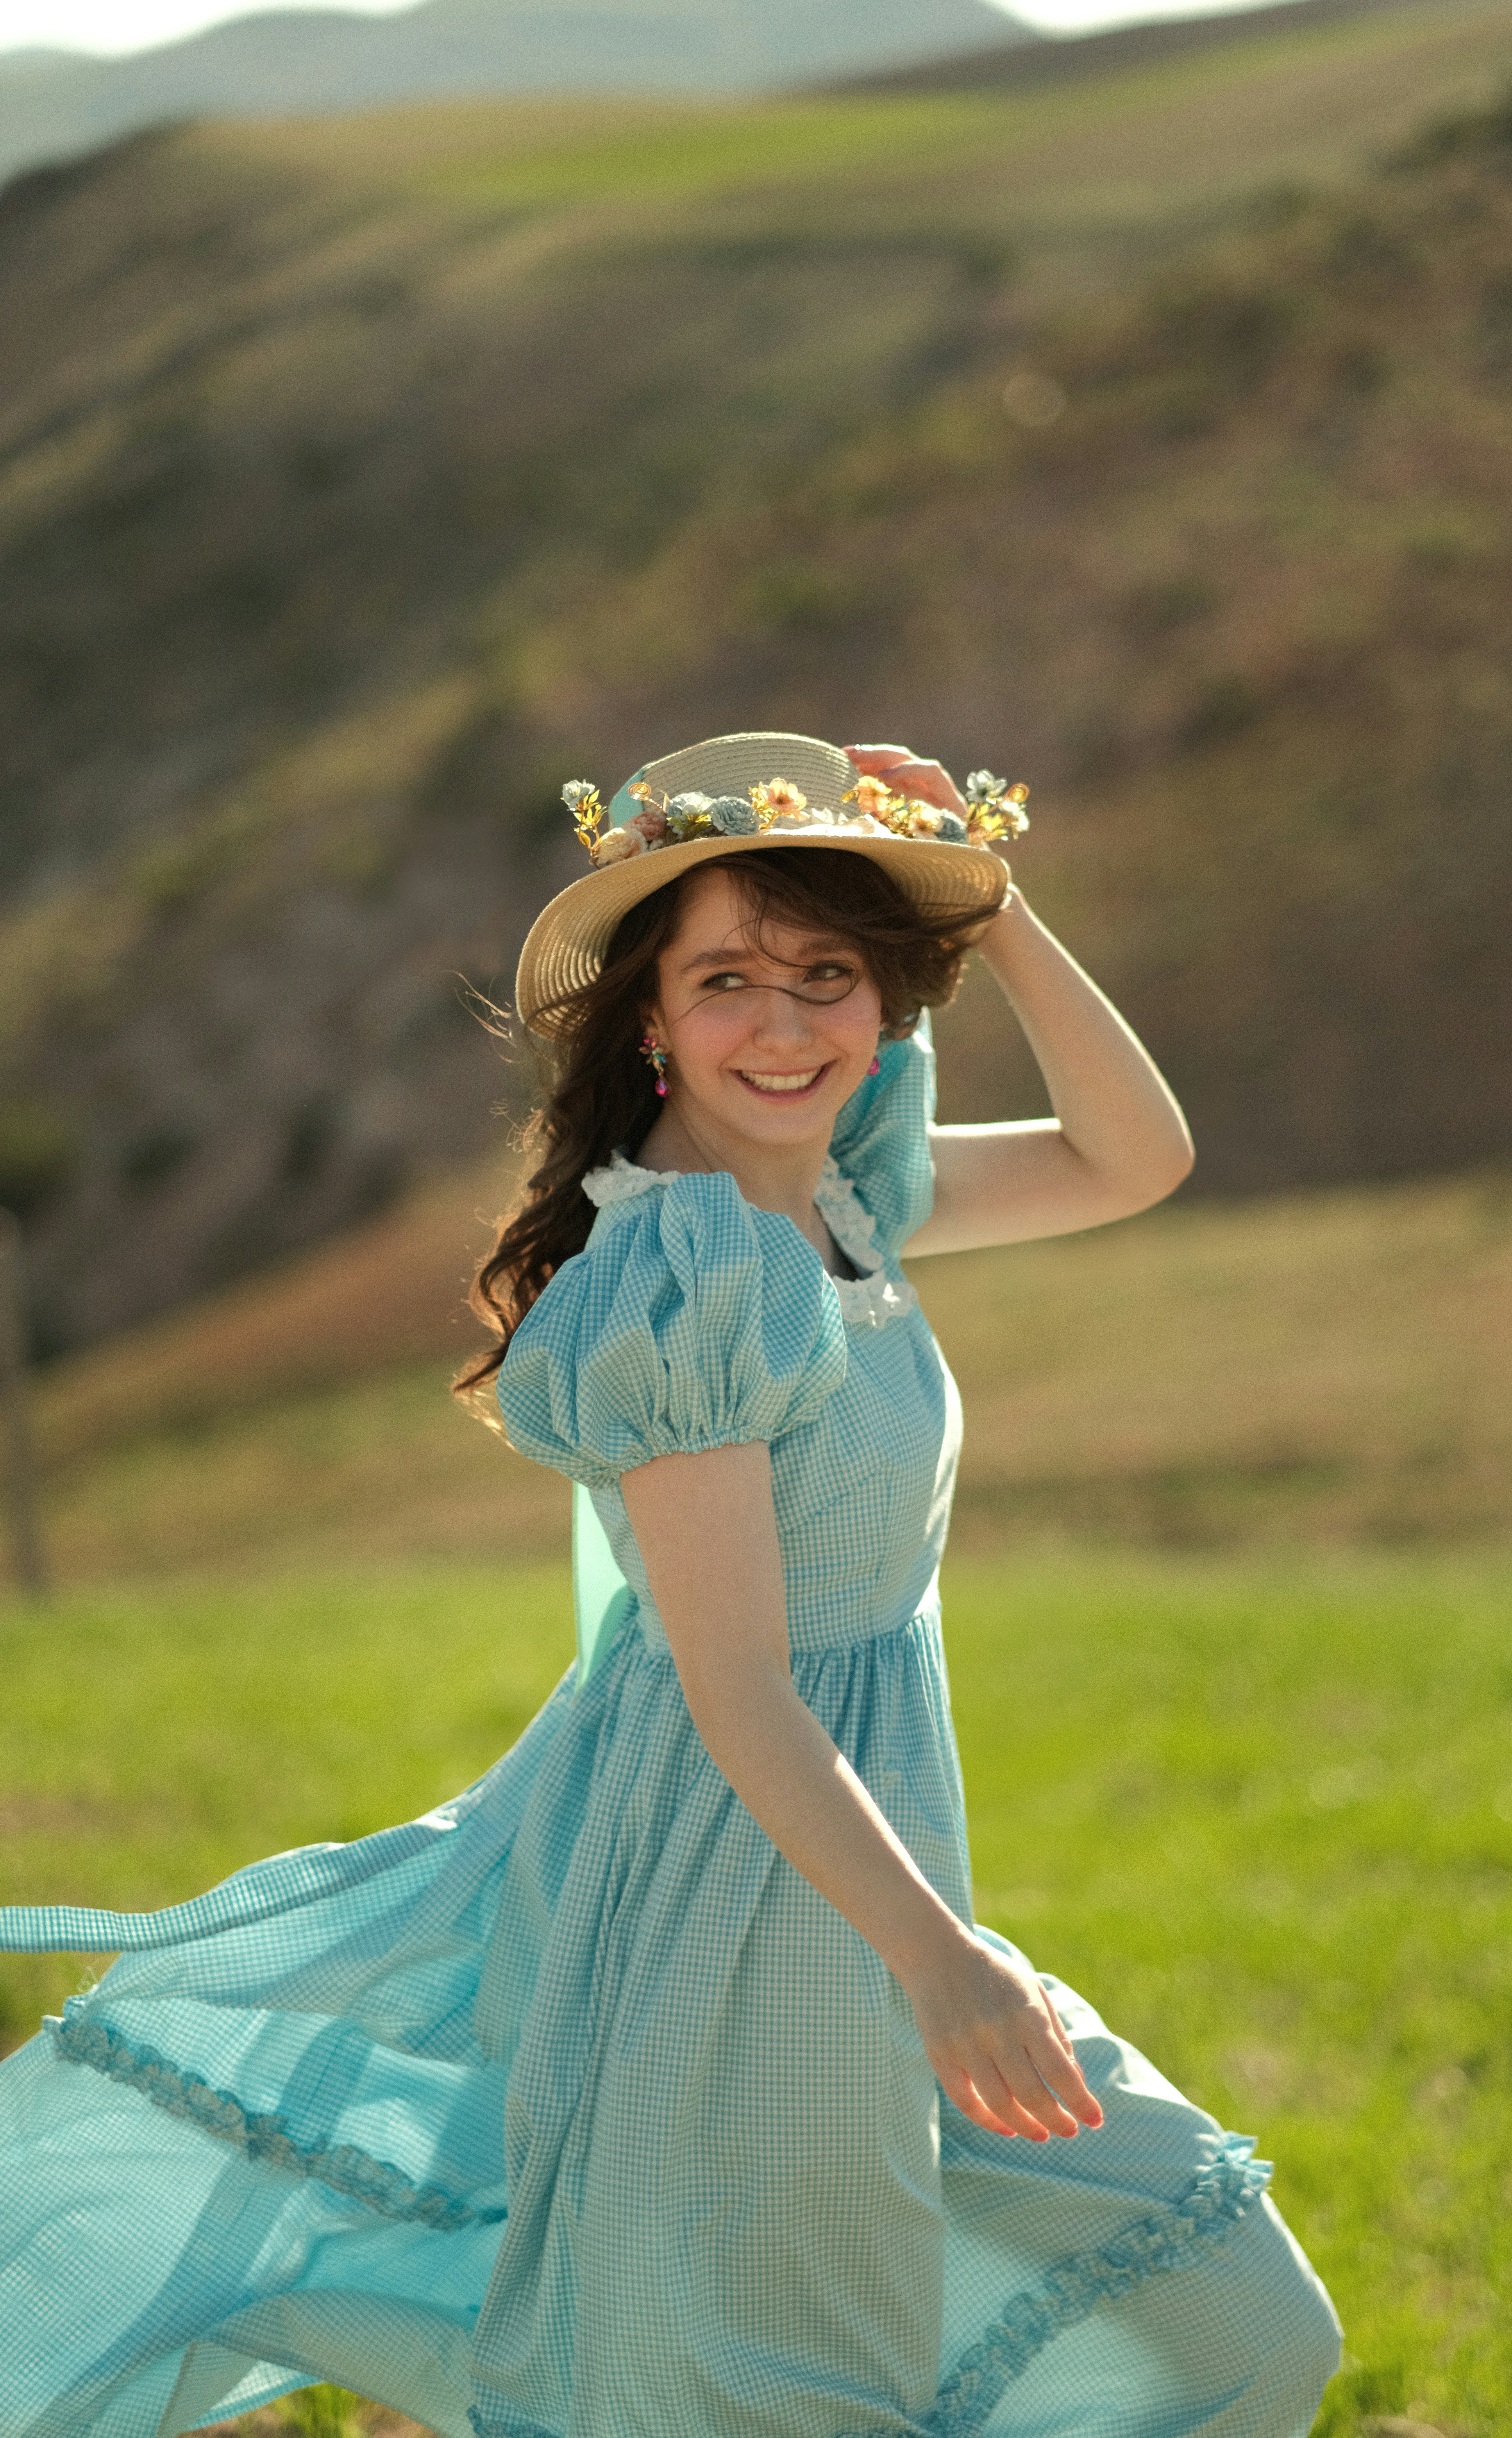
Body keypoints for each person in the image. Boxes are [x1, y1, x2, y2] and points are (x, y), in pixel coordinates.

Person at [0, 732, 1340, 2438]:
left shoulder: (847, 1209)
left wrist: (993, 905)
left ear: (883, 1007)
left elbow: (1133, 1156)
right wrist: (943, 1964)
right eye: (724, 980)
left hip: (856, 1858)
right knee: (762, 2383)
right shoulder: (686, 1270)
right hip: (737, 1882)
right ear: (648, 1019)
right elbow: (735, 1689)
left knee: (1236, 2315)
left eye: (825, 976)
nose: (780, 1025)